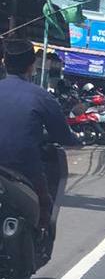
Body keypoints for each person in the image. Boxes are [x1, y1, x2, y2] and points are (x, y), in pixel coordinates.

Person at [0, 39, 79, 230]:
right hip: (23, 170)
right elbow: (63, 136)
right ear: (31, 65)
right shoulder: (41, 96)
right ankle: (39, 241)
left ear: (4, 62)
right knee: (45, 205)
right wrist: (75, 139)